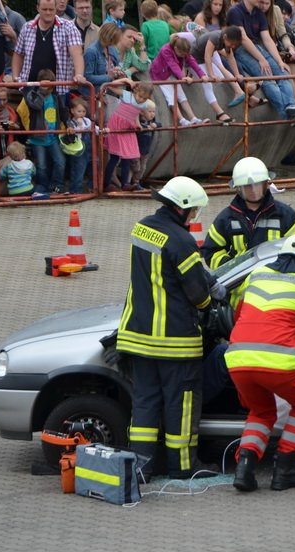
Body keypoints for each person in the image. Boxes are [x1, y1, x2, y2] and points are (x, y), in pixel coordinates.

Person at [118, 176, 218, 480]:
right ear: (183, 208)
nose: (194, 216)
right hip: (175, 342)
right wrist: (208, 307)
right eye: (194, 210)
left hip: (137, 336)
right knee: (181, 405)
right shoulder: (181, 240)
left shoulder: (142, 227)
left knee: (145, 404)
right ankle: (183, 466)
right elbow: (198, 294)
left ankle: (141, 467)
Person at [226, 233, 295, 492]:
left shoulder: (257, 275)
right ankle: (284, 468)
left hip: (238, 359)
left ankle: (244, 469)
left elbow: (239, 314)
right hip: (280, 364)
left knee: (261, 412)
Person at [201, 156, 295, 269]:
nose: (253, 190)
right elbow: (210, 252)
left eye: (257, 184)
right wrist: (232, 268)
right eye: (247, 186)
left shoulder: (285, 214)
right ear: (238, 188)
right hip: (240, 283)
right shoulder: (227, 218)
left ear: (266, 184)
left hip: (275, 280)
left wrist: (281, 268)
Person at [228, 0, 295, 119]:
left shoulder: (259, 13)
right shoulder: (235, 12)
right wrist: (261, 59)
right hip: (241, 49)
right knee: (268, 78)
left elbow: (266, 39)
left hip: (258, 47)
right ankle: (286, 116)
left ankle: (291, 106)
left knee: (283, 73)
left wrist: (279, 61)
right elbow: (243, 39)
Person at [150, 33, 235, 125]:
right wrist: (183, 77)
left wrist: (202, 75)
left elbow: (192, 61)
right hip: (160, 75)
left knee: (182, 96)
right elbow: (173, 65)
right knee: (171, 97)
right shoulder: (165, 50)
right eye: (182, 54)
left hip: (170, 74)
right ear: (175, 49)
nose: (183, 56)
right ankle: (182, 120)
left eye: (185, 54)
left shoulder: (183, 51)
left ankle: (193, 118)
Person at [9, 0, 88, 98]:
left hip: (58, 90)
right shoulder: (27, 28)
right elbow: (18, 53)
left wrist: (79, 74)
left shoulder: (69, 27)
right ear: (38, 8)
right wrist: (15, 76)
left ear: (56, 9)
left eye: (51, 9)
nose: (48, 12)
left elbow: (77, 54)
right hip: (30, 88)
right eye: (44, 9)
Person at [16, 70, 66, 195]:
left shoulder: (55, 97)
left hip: (52, 136)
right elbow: (37, 105)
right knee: (42, 166)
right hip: (37, 139)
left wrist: (68, 124)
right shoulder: (33, 95)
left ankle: (57, 184)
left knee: (60, 161)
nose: (48, 88)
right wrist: (41, 91)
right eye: (45, 85)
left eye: (50, 85)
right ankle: (42, 185)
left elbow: (63, 113)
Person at [103, 78, 155, 191]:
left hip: (128, 127)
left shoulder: (144, 103)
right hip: (117, 125)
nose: (140, 99)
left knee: (127, 156)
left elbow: (137, 113)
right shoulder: (127, 95)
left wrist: (138, 124)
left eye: (144, 98)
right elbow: (110, 85)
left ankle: (125, 184)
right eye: (139, 96)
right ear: (136, 91)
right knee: (114, 157)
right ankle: (105, 184)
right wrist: (126, 80)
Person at [65, 97, 92, 194]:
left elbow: (94, 128)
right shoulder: (70, 123)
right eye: (79, 111)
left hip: (88, 148)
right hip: (78, 150)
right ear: (72, 111)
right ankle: (75, 190)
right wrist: (80, 125)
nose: (81, 114)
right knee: (78, 170)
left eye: (84, 111)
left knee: (92, 167)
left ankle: (91, 187)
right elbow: (78, 133)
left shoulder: (87, 120)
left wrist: (103, 130)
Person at [131, 101, 159, 190]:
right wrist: (147, 128)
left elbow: (160, 124)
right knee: (135, 167)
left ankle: (136, 182)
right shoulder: (139, 121)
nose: (152, 114)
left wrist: (155, 125)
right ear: (141, 112)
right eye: (150, 111)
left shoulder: (151, 122)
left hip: (145, 151)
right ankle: (129, 183)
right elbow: (139, 127)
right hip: (136, 149)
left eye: (154, 112)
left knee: (142, 168)